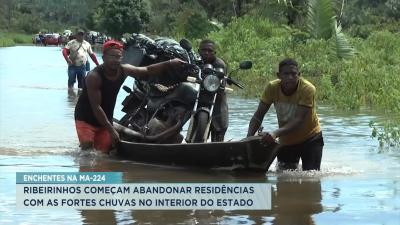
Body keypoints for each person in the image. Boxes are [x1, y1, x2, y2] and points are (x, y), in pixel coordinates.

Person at [74, 40, 185, 153]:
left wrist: (170, 63)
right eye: (112, 56)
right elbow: (96, 107)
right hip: (85, 119)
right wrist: (111, 130)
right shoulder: (94, 76)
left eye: (118, 57)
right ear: (103, 58)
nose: (115, 60)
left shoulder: (124, 69)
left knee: (102, 154)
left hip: (105, 119)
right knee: (87, 153)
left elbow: (147, 70)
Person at [247, 58, 323, 171]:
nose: (290, 78)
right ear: (279, 75)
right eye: (286, 74)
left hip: (310, 138)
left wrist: (274, 134)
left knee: (311, 177)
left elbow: (298, 120)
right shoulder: (272, 88)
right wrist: (248, 139)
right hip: (287, 140)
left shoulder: (307, 89)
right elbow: (259, 115)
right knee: (284, 177)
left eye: (294, 74)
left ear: (299, 75)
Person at [198, 39, 228, 142]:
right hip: (199, 98)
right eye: (204, 50)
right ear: (199, 51)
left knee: (220, 127)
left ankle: (218, 148)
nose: (206, 53)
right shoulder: (196, 62)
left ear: (214, 53)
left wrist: (222, 82)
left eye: (210, 50)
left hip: (216, 98)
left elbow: (222, 79)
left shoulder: (220, 64)